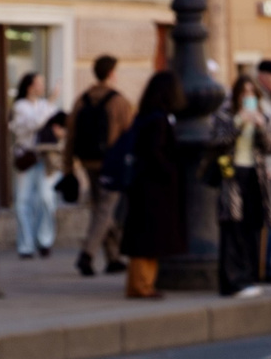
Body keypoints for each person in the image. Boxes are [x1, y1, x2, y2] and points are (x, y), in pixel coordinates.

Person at [219, 73, 271, 294]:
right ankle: (231, 281)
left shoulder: (262, 115)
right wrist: (239, 122)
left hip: (255, 175)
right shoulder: (226, 115)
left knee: (252, 226)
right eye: (244, 93)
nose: (248, 97)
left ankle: (248, 277)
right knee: (233, 227)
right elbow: (218, 142)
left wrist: (260, 126)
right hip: (232, 174)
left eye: (252, 93)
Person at [117, 69, 186, 298]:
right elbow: (155, 151)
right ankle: (142, 285)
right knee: (149, 240)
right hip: (154, 187)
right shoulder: (159, 118)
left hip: (144, 185)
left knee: (145, 239)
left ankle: (141, 283)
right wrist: (170, 171)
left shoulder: (147, 115)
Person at [69, 56, 133, 276]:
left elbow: (70, 136)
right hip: (111, 164)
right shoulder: (119, 101)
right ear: (111, 73)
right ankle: (87, 254)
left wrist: (68, 167)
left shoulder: (81, 100)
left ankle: (113, 257)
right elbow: (131, 134)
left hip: (87, 161)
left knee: (101, 209)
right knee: (105, 209)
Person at [10, 70, 62, 258]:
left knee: (47, 199)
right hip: (27, 158)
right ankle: (26, 245)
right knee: (23, 201)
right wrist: (51, 102)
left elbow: (56, 123)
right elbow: (36, 123)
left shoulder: (45, 105)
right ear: (30, 86)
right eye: (39, 83)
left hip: (46, 157)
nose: (42, 86)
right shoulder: (20, 106)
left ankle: (45, 240)